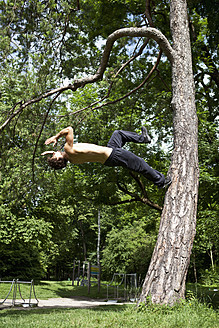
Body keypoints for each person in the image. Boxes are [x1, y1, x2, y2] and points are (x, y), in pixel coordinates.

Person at [41, 126, 171, 188]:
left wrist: (51, 156)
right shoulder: (68, 150)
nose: (53, 152)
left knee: (118, 134)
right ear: (59, 159)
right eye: (54, 155)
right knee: (139, 163)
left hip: (109, 154)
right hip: (113, 154)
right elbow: (69, 129)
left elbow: (61, 157)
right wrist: (56, 137)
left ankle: (143, 138)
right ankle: (160, 181)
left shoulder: (72, 159)